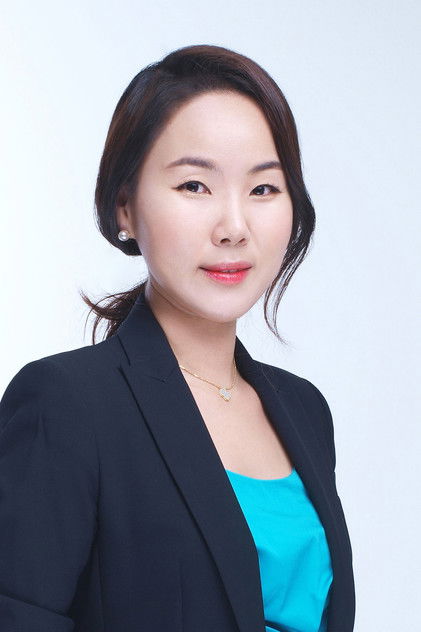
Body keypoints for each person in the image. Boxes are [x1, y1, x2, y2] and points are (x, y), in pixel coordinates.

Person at [0, 44, 355, 632]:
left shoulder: (304, 410)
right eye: (194, 185)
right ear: (124, 206)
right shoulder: (66, 404)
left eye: (263, 189)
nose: (234, 227)